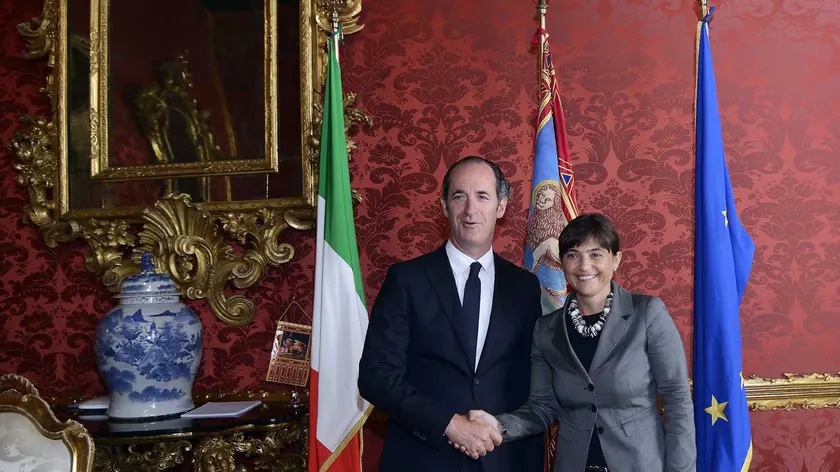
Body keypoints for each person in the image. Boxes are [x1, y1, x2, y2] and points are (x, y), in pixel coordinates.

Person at [457, 213, 696, 472]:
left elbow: (677, 399)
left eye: (596, 254)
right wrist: (498, 425)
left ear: (616, 259)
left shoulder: (648, 313)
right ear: (562, 263)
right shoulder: (546, 330)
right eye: (573, 255)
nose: (584, 266)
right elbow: (542, 407)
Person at [359, 156, 545, 472]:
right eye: (459, 196)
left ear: (501, 207)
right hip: (423, 459)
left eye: (482, 196)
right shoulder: (407, 280)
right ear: (444, 205)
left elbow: (534, 380)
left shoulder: (525, 287)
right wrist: (450, 424)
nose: (471, 210)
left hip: (505, 459)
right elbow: (376, 377)